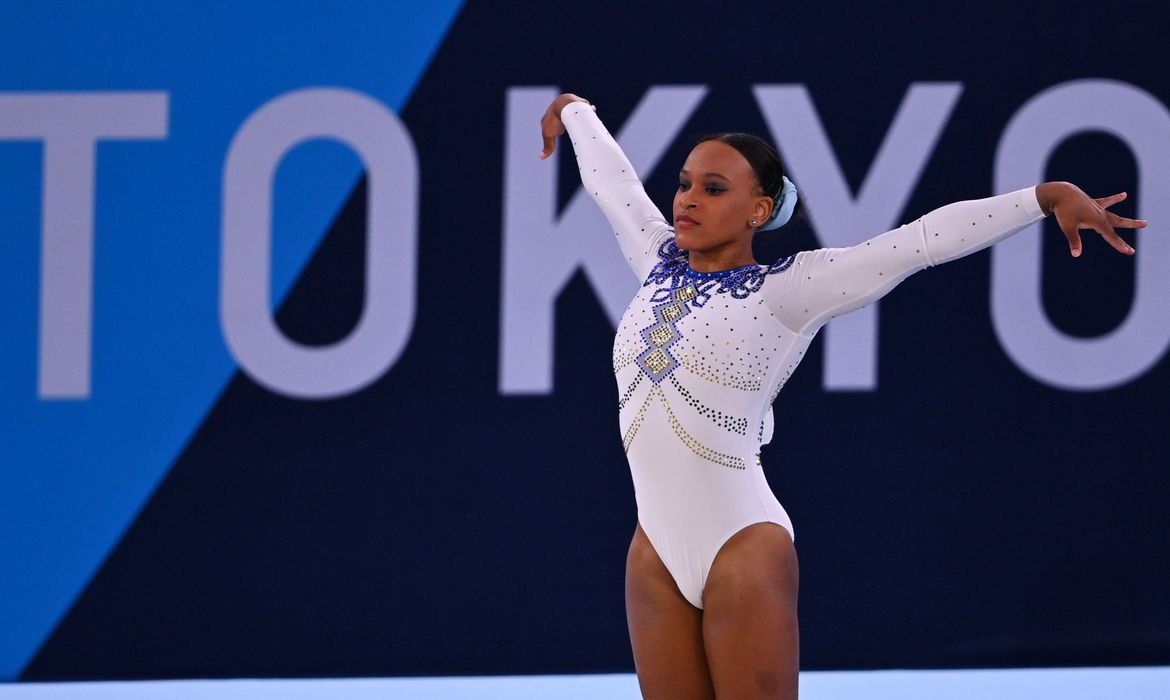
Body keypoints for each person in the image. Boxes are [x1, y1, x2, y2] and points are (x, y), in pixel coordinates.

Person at [539, 92, 1145, 700]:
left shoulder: (789, 289)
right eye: (684, 183)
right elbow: (611, 184)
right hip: (653, 553)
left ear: (760, 209)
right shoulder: (656, 260)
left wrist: (1042, 199)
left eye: (714, 188)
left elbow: (919, 242)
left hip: (740, 547)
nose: (688, 198)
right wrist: (574, 111)